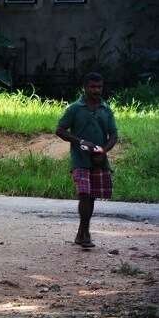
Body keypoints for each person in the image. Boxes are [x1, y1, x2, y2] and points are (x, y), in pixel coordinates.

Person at [56, 72, 118, 248]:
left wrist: (103, 151)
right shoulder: (75, 108)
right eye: (92, 87)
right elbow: (60, 130)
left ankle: (82, 232)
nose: (96, 90)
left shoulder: (106, 109)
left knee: (91, 197)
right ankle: (85, 233)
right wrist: (80, 142)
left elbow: (113, 135)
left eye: (99, 87)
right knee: (84, 194)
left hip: (99, 160)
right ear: (85, 87)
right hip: (80, 159)